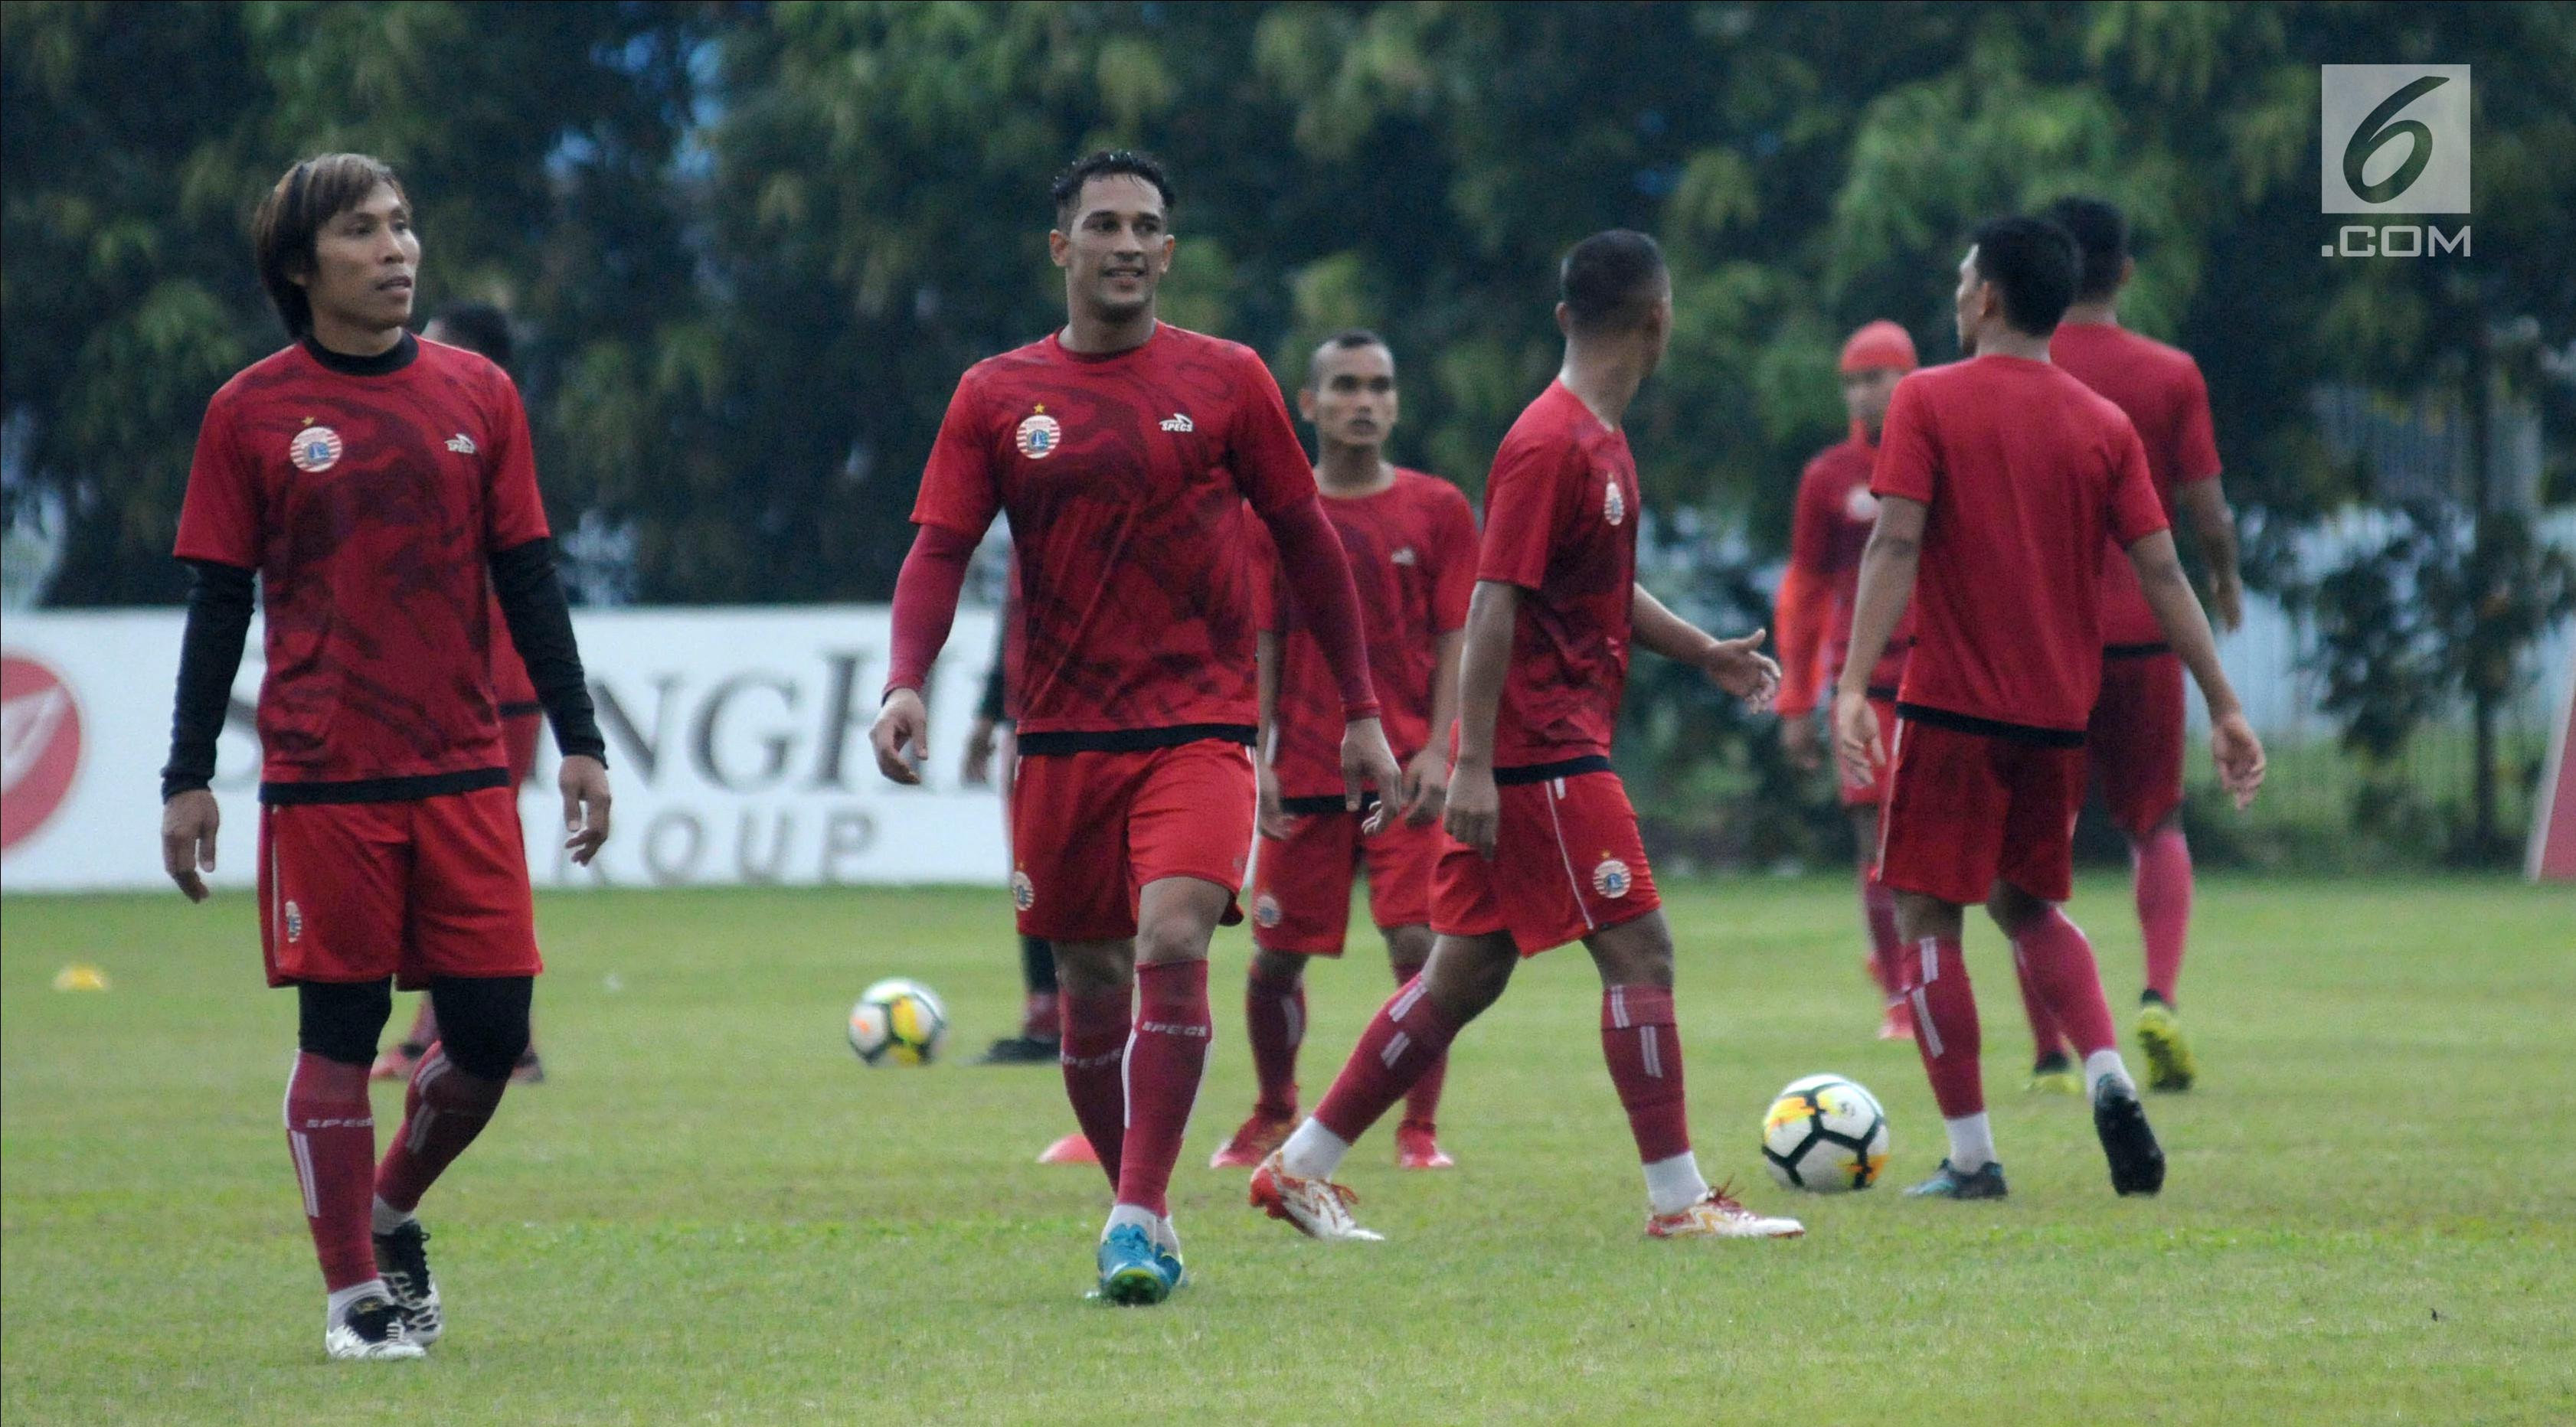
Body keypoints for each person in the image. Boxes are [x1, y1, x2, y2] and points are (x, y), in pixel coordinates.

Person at [869, 150, 1401, 1305]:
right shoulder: (996, 396)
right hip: (1061, 742)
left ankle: (1130, 1212)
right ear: (1061, 249)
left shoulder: (1229, 380)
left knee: (1171, 940)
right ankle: (1145, 1211)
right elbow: (940, 550)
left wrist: (1360, 711)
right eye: (1101, 224)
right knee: (1087, 988)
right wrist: (907, 678)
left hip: (1198, 728)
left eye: (1145, 226)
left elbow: (1309, 543)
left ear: (1167, 253)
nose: (1124, 243)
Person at [1247, 230, 1806, 1244]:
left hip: (1542, 746)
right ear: (1659, 320)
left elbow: (1595, 584)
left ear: (1566, 318)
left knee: (1462, 976)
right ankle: (1679, 1201)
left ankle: (1299, 1166)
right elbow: (1494, 601)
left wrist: (1700, 651)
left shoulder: (1597, 439)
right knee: (1641, 952)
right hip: (1543, 751)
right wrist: (1473, 763)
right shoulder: (1549, 442)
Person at [159, 154, 612, 1359]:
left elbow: (528, 575)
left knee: (489, 1033)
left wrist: (579, 741)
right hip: (325, 777)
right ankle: (354, 1299)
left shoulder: (480, 396)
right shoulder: (250, 413)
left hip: (465, 769)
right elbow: (218, 602)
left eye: (405, 225)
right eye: (364, 231)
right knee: (340, 1037)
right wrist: (187, 774)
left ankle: (390, 1210)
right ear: (304, 267)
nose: (399, 249)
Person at [1829, 216, 2264, 1202]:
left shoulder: (1927, 400)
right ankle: (2108, 1075)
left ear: (1984, 296)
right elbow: (2162, 569)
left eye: (1960, 275)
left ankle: (1974, 1156)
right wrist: (2226, 704)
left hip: (1947, 709)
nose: (1953, 291)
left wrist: (1854, 685)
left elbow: (1894, 545)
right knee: (2029, 906)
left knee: (1928, 917)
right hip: (2055, 720)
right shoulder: (2100, 421)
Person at [1209, 331, 1479, 1174]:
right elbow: (1262, 643)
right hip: (1308, 772)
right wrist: (1257, 758)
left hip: (1403, 772)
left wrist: (1443, 749)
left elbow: (1456, 640)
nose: (1365, 402)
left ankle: (1417, 1131)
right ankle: (1272, 1110)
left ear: (1396, 403)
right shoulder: (1273, 517)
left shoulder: (1437, 509)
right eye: (1347, 386)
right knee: (1276, 955)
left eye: (1380, 386)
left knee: (1418, 947)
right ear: (1309, 402)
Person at [2021, 194, 2243, 1095]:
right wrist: (2222, 580)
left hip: (2044, 637)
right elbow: (2206, 508)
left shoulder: (2017, 369)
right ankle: (2158, 996)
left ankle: (2051, 1054)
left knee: (2037, 843)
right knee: (2155, 822)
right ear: (2127, 272)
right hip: (2148, 637)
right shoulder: (2168, 373)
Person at [371, 301, 549, 1087]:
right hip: (454, 677)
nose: (419, 358)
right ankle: (440, 1036)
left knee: (475, 864)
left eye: (436, 348)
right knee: (449, 864)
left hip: (496, 678)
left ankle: (499, 1042)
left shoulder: (480, 431)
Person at [1773, 320, 1920, 1041]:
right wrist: (1795, 697)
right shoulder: (1829, 476)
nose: (1867, 391)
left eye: (1879, 376)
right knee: (1874, 838)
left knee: (1937, 843)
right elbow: (1803, 589)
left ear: (1909, 378)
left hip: (1939, 675)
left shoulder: (1941, 456)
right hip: (1862, 681)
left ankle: (1914, 968)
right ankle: (1898, 994)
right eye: (1856, 380)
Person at [958, 581, 1098, 1166]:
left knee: (1099, 873)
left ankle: (1115, 1013)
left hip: (1104, 721)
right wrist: (989, 718)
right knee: (1032, 870)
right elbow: (1011, 635)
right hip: (1031, 722)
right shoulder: (1026, 532)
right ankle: (1046, 1012)